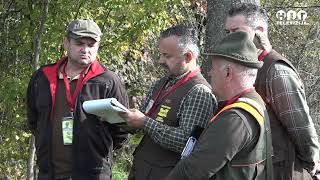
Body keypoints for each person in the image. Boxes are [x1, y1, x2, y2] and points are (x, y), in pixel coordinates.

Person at [225, 3, 320, 179]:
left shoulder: (276, 70)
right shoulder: (241, 67)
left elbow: (300, 125)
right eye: (228, 33)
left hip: (282, 171)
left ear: (259, 30)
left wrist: (312, 164)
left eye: (236, 31)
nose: (230, 38)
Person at [26, 19, 129, 180]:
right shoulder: (42, 77)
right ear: (66, 43)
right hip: (50, 173)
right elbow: (34, 121)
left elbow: (121, 129)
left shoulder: (108, 81)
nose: (85, 49)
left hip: (93, 174)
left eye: (91, 45)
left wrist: (96, 149)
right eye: (80, 43)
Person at [167, 31, 272, 180]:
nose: (210, 73)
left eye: (213, 68)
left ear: (228, 73)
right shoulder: (255, 102)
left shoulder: (235, 118)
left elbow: (192, 171)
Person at [119, 25, 217, 180]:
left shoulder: (199, 92)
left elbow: (187, 142)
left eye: (167, 56)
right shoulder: (162, 82)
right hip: (141, 169)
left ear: (188, 57)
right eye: (161, 54)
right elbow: (144, 119)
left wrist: (145, 123)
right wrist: (123, 119)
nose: (160, 61)